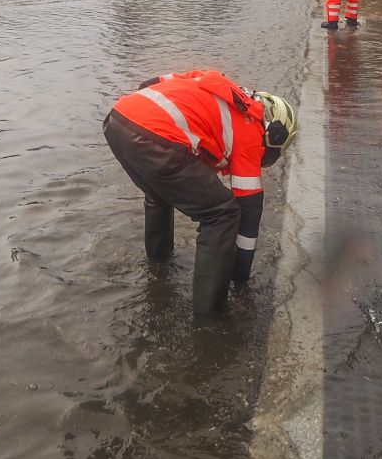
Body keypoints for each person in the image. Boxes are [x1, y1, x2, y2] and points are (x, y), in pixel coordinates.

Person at [103, 71, 297, 316]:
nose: (264, 157)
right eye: (269, 152)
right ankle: (209, 318)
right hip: (154, 137)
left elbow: (153, 82)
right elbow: (249, 209)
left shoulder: (217, 85)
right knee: (222, 214)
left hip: (118, 120)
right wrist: (240, 278)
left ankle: (158, 267)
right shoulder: (250, 127)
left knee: (159, 194)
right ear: (273, 132)